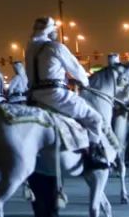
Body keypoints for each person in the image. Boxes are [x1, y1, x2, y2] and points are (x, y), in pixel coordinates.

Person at [26, 16, 117, 169]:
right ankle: (93, 156)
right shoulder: (56, 47)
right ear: (50, 31)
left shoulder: (31, 49)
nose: (56, 32)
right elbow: (76, 68)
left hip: (34, 96)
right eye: (54, 29)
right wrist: (84, 81)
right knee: (95, 118)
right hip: (55, 96)